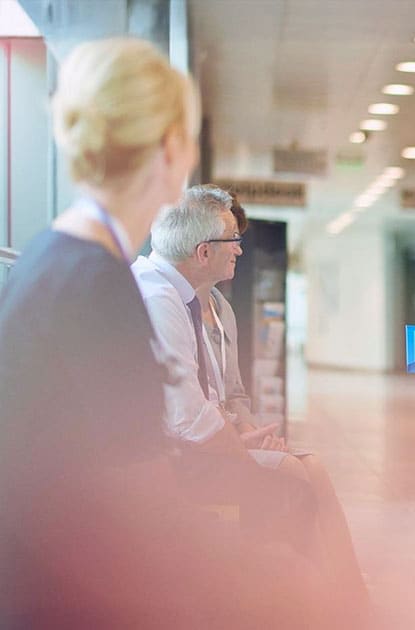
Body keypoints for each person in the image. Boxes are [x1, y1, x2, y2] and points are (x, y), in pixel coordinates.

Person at [0, 37, 327, 628]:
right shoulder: (99, 285)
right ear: (172, 147)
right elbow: (139, 509)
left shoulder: (54, 258)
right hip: (65, 590)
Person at [132, 184, 367, 612]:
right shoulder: (159, 300)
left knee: (306, 466)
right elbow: (187, 416)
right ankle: (301, 604)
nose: (240, 250)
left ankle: (337, 599)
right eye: (233, 241)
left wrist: (246, 431)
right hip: (168, 459)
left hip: (194, 444)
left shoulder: (199, 300)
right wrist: (239, 445)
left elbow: (224, 397)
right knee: (292, 479)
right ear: (203, 252)